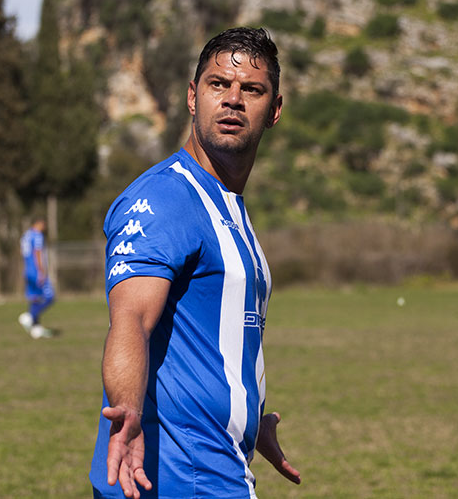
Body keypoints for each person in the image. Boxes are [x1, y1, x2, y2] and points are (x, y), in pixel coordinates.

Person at [89, 27, 301, 499]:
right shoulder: (165, 198)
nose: (232, 100)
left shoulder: (226, 204)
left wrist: (246, 419)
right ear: (192, 96)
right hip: (180, 475)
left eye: (252, 90)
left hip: (217, 462)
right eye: (217, 84)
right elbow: (130, 320)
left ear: (275, 110)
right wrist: (127, 414)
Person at [18, 218, 55, 339]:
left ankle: (35, 328)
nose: (44, 227)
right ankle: (29, 316)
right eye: (43, 224)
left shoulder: (25, 235)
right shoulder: (37, 236)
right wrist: (41, 271)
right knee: (50, 297)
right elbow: (37, 252)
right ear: (38, 223)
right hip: (36, 271)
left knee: (35, 299)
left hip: (27, 270)